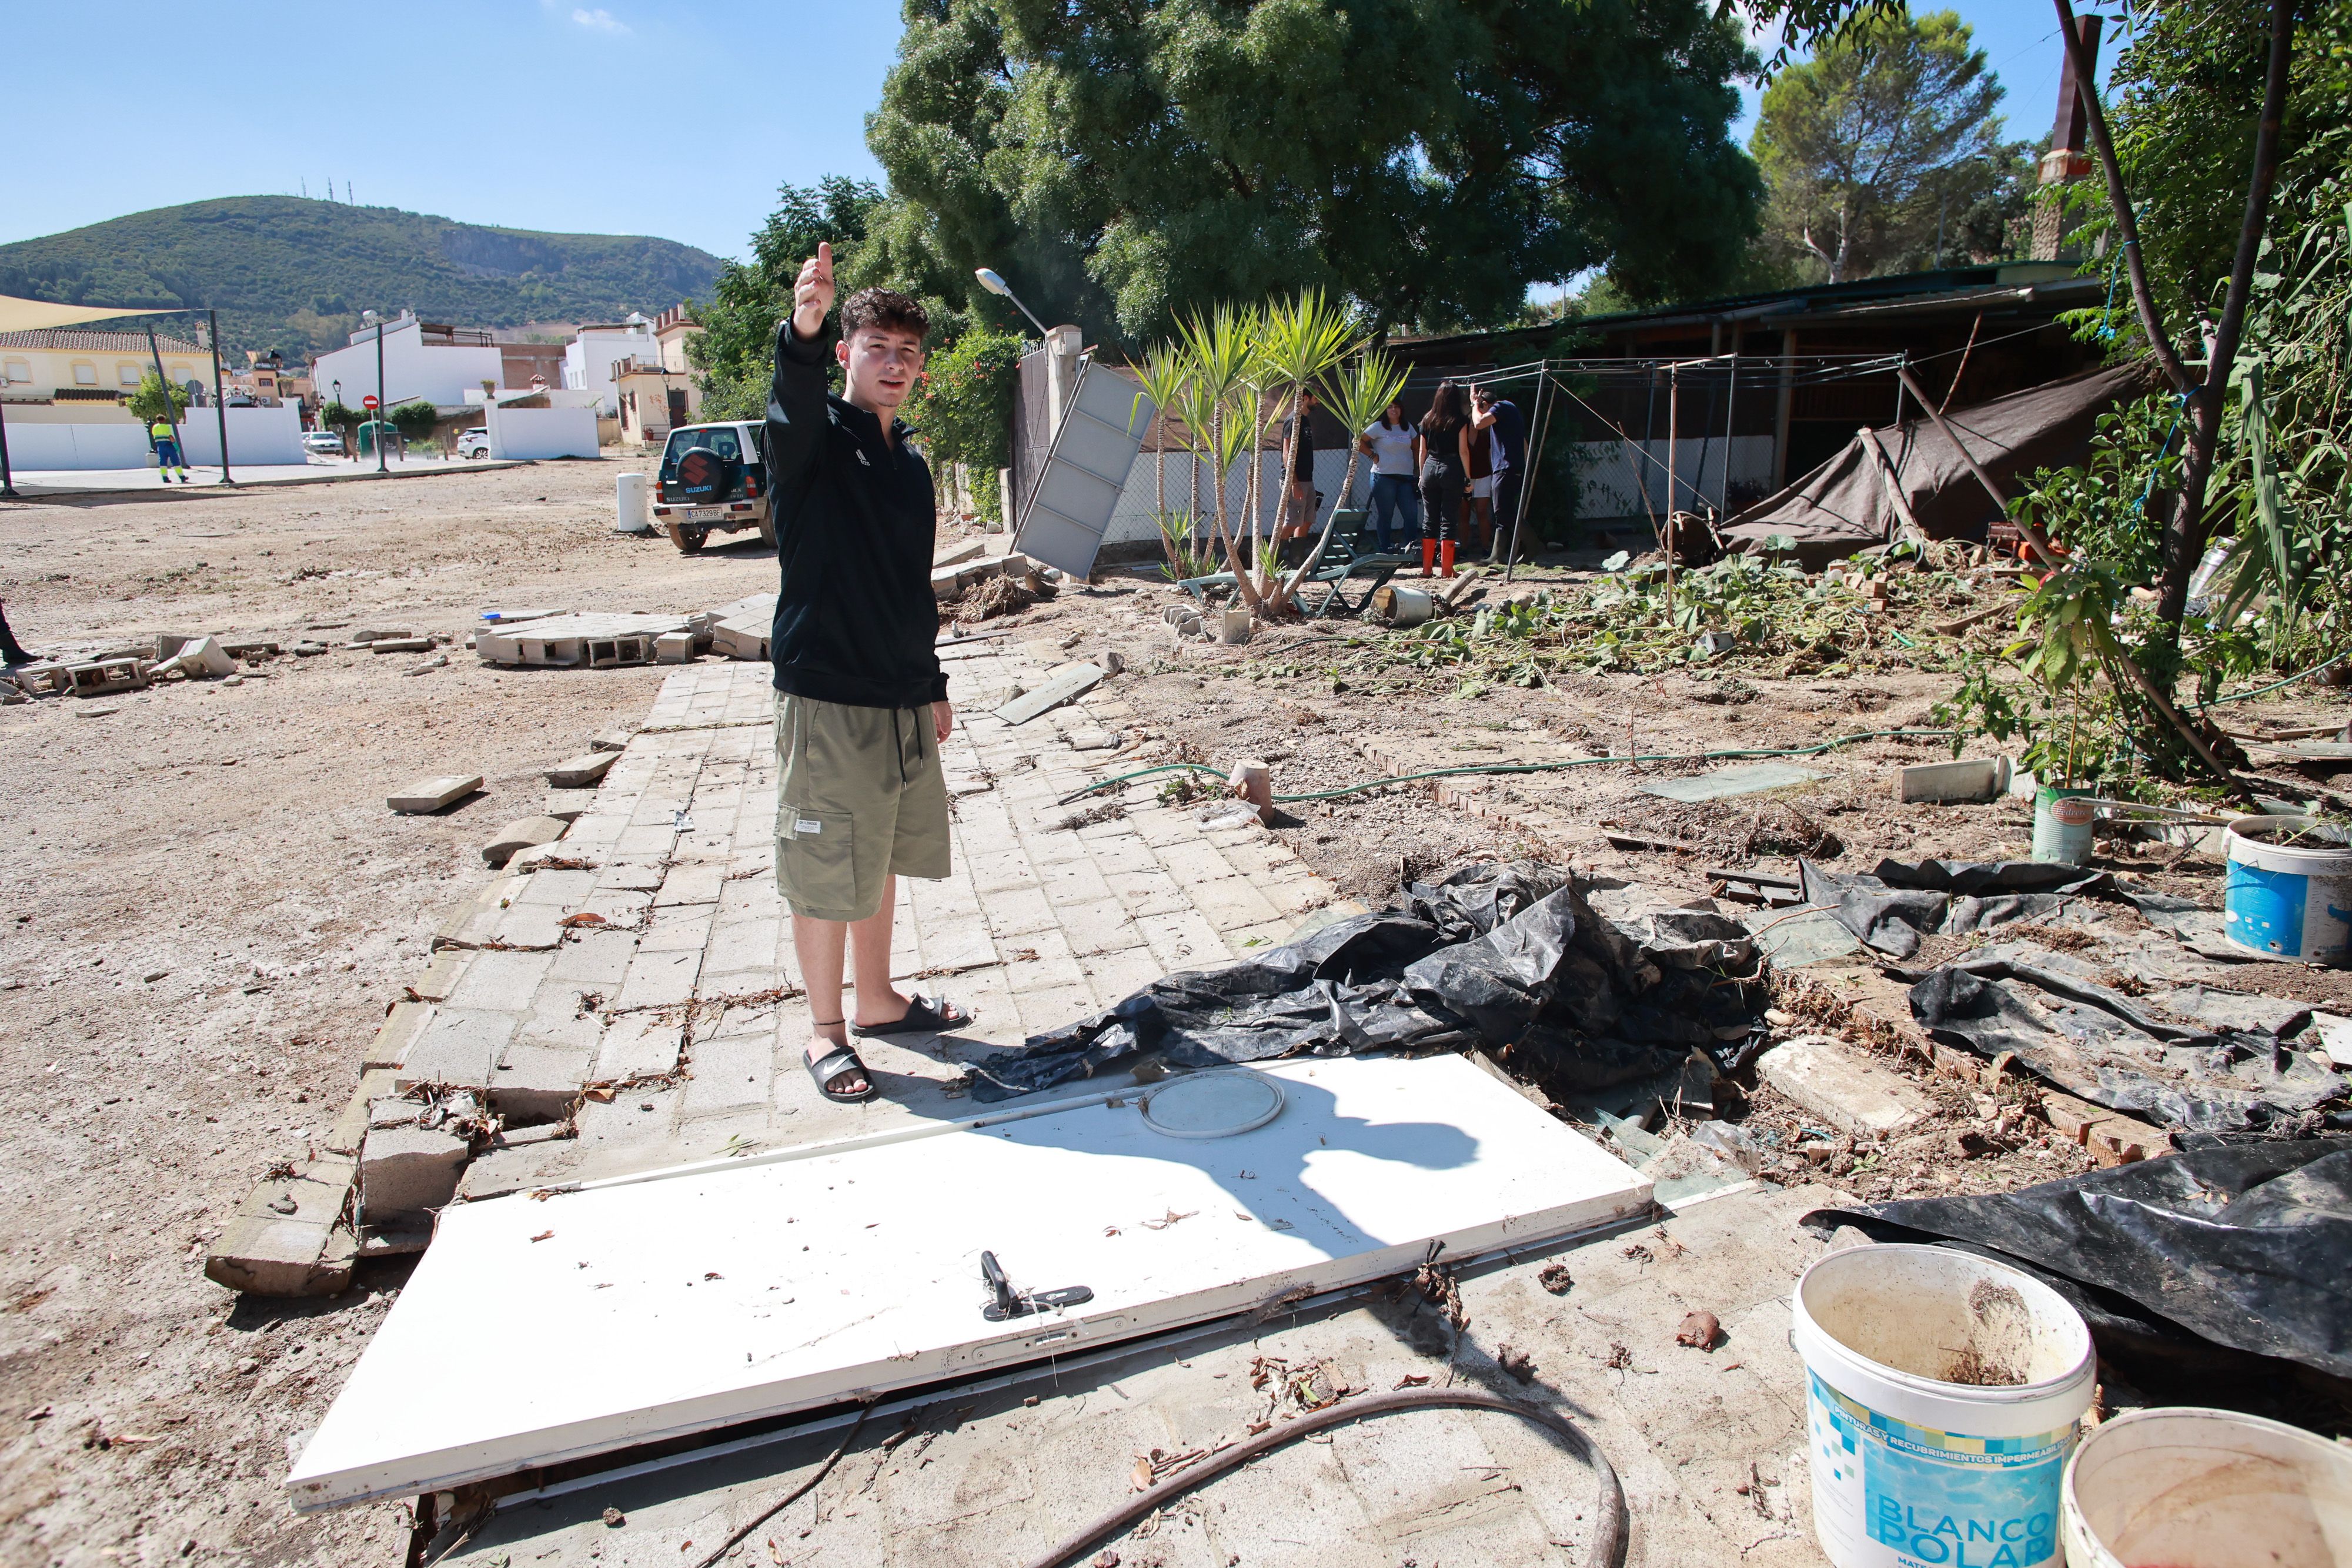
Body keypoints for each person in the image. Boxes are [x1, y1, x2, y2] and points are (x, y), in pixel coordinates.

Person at [766, 241, 971, 1104]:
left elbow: (907, 583)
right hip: (829, 694)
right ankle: (825, 1030)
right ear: (847, 355)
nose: (894, 364)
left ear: (920, 368)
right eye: (877, 349)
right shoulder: (814, 446)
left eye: (908, 353)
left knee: (877, 849)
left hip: (895, 695)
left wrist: (929, 681)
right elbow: (791, 407)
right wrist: (804, 329)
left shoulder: (909, 462)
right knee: (826, 862)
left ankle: (881, 1000)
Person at [1415, 380, 1474, 577]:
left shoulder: (1427, 420)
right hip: (1452, 468)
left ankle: (1426, 569)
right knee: (1448, 518)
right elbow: (1463, 451)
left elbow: (1422, 451)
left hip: (1430, 467)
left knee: (1429, 519)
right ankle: (1447, 570)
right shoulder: (1459, 420)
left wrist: (1422, 474)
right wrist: (1468, 477)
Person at [1472, 385, 1530, 563]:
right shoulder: (1508, 409)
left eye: (1482, 408)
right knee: (1503, 512)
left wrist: (1475, 404)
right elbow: (1524, 442)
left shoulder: (1501, 407)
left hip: (1507, 467)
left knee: (1502, 511)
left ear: (1487, 405)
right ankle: (1497, 556)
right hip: (1509, 467)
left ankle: (1533, 544)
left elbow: (1478, 423)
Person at [1357, 399, 1420, 554]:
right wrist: (1372, 455)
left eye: (1397, 407)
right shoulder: (1378, 427)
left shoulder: (1408, 427)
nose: (1394, 410)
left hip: (1406, 479)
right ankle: (1385, 550)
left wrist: (1418, 470)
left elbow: (1417, 448)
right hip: (1383, 478)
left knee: (1411, 514)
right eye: (1390, 407)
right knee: (1386, 515)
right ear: (1384, 410)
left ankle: (1412, 550)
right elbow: (1358, 441)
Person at [1276, 387, 1319, 542]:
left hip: (1308, 480)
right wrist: (1294, 483)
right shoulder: (1293, 420)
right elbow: (1287, 453)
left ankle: (1297, 559)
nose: (1318, 401)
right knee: (1292, 522)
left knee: (1307, 521)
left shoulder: (1305, 420)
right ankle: (1274, 557)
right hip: (1295, 481)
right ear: (1305, 398)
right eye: (1316, 398)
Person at [150, 416, 189, 484]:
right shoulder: (166, 427)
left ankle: (165, 478)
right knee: (176, 461)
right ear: (164, 420)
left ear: (157, 420)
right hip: (169, 446)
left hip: (160, 447)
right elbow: (170, 436)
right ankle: (182, 477)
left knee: (163, 462)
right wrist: (175, 445)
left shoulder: (154, 427)